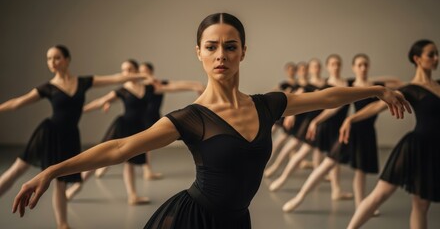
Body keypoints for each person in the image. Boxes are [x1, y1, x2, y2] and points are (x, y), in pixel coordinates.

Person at [12, 13, 409, 229]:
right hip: (195, 220)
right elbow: (119, 147)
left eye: (230, 46)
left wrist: (374, 90)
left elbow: (326, 96)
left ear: (242, 52)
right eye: (212, 47)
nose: (221, 54)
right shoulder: (190, 118)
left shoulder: (267, 104)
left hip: (238, 221)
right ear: (199, 53)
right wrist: (51, 170)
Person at [0, 45, 148, 229]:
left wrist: (141, 76)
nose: (52, 62)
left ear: (67, 59)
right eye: (49, 59)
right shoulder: (48, 88)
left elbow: (116, 78)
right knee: (17, 171)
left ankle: (63, 224)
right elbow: (17, 102)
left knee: (61, 182)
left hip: (69, 136)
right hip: (48, 133)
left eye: (56, 58)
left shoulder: (83, 82)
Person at [66, 59, 204, 203]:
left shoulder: (149, 88)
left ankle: (132, 196)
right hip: (122, 126)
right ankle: (76, 187)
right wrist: (80, 110)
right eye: (124, 70)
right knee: (101, 157)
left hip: (137, 127)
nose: (126, 73)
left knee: (130, 163)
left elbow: (172, 87)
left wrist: (194, 85)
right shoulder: (122, 90)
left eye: (130, 69)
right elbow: (101, 101)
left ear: (136, 71)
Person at [346, 39, 438, 229]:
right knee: (380, 194)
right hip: (416, 146)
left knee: (422, 204)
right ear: (417, 59)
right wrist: (350, 119)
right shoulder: (409, 89)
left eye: (437, 54)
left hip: (436, 149)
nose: (436, 58)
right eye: (431, 54)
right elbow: (376, 106)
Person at [280, 53, 390, 213]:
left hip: (367, 133)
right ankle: (299, 197)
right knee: (327, 164)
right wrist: (316, 121)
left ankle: (361, 206)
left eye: (366, 64)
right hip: (350, 131)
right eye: (359, 65)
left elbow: (396, 84)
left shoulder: (375, 86)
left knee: (361, 172)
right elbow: (335, 107)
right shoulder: (351, 87)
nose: (363, 68)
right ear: (353, 68)